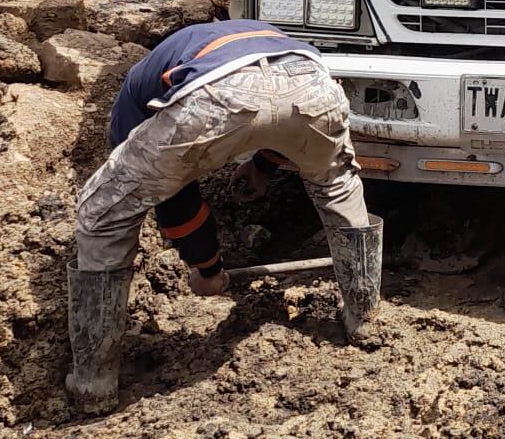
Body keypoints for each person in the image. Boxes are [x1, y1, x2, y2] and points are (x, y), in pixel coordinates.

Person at [67, 21, 382, 416]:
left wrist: (208, 268)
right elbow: (280, 108)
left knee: (104, 212)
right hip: (311, 81)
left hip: (219, 93)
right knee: (337, 185)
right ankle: (364, 317)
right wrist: (261, 167)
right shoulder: (243, 34)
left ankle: (94, 381)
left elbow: (170, 194)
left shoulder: (133, 93)